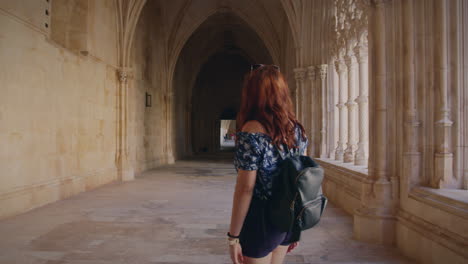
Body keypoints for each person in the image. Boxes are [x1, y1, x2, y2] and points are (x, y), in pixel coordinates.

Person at [228, 64, 308, 264]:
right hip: (286, 217)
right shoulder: (296, 129)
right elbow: (299, 179)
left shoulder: (252, 131)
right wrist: (295, 228)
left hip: (261, 219)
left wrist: (233, 236)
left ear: (252, 94)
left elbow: (246, 188)